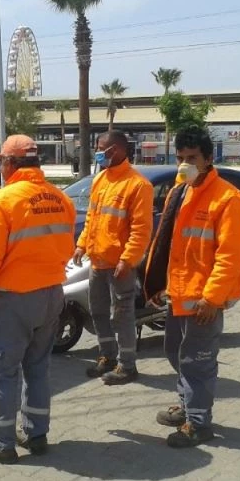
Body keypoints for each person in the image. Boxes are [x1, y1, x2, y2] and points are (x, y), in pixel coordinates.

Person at [0, 134, 76, 464]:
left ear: (11, 164)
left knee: (0, 372)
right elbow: (67, 249)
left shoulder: (3, 201)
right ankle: (36, 434)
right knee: (38, 367)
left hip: (14, 301)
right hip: (52, 295)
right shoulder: (61, 199)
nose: (0, 167)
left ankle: (1, 444)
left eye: (2, 161)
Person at [144, 125, 240, 448]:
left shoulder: (227, 199)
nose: (184, 164)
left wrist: (213, 298)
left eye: (192, 158)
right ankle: (188, 405)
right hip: (179, 295)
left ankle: (199, 424)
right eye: (180, 158)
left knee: (197, 362)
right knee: (176, 353)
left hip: (203, 300)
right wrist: (160, 284)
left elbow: (230, 256)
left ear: (208, 158)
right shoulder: (182, 191)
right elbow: (170, 246)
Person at [74, 131, 154, 385]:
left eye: (101, 148)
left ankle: (127, 366)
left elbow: (141, 230)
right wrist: (81, 245)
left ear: (117, 150)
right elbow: (92, 218)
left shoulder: (138, 185)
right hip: (97, 261)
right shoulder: (100, 180)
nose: (98, 152)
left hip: (120, 265)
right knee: (97, 312)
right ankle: (107, 356)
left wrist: (127, 260)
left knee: (122, 316)